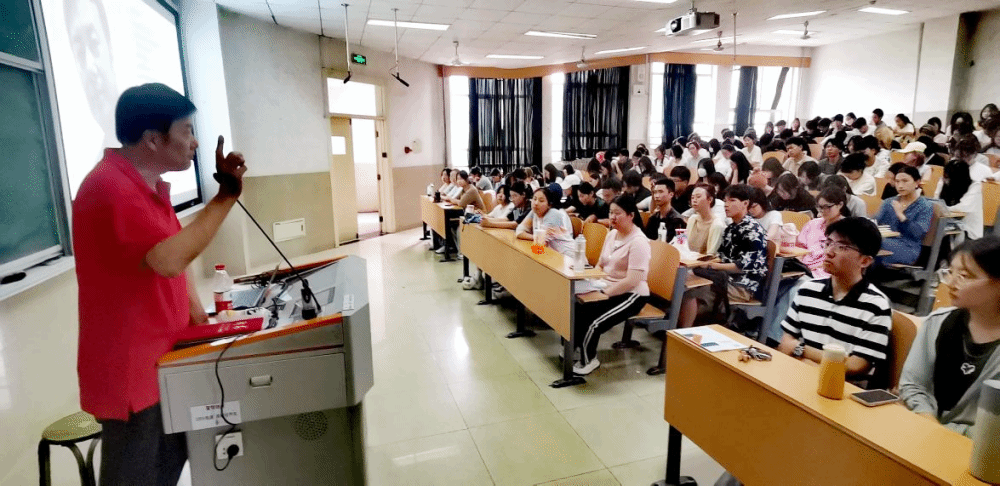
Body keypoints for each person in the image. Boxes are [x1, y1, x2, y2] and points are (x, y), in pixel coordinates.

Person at [74, 84, 247, 485]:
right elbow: (169, 261)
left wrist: (201, 326)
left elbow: (176, 266)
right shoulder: (111, 188)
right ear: (153, 139)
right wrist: (225, 197)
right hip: (133, 371)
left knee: (169, 466)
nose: (195, 142)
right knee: (136, 476)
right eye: (187, 131)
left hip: (166, 357)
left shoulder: (147, 187)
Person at [899, 236, 1000, 437]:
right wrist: (931, 425)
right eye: (950, 272)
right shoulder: (937, 322)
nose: (951, 283)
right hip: (923, 432)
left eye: (964, 276)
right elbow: (913, 385)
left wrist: (949, 436)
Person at [778, 217, 892, 388]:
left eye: (842, 247)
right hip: (798, 381)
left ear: (865, 261)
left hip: (840, 391)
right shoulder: (807, 290)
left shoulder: (877, 306)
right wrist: (829, 361)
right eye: (829, 243)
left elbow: (856, 365)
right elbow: (785, 343)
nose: (829, 252)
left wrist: (802, 350)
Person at [572, 195, 651, 375]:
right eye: (610, 212)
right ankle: (573, 348)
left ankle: (588, 360)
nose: (612, 217)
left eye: (617, 213)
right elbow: (600, 264)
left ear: (631, 215)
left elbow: (633, 280)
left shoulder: (639, 242)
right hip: (605, 285)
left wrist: (604, 293)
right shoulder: (612, 234)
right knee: (577, 308)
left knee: (594, 323)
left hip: (632, 294)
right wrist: (593, 284)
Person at [876, 166, 933, 266]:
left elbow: (918, 233)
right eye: (897, 181)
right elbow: (876, 222)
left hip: (908, 247)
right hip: (885, 241)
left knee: (872, 247)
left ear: (917, 182)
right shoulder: (889, 202)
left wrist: (901, 216)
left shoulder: (925, 205)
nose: (900, 185)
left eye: (905, 181)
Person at [798, 186, 849, 278]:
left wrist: (814, 268)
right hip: (804, 270)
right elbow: (799, 250)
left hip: (828, 272)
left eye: (827, 207)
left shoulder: (848, 228)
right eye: (820, 207)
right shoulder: (812, 224)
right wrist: (798, 266)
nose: (822, 211)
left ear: (840, 205)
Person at [516, 187, 574, 254]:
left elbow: (542, 240)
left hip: (568, 255)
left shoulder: (553, 214)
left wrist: (535, 237)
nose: (536, 203)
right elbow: (519, 232)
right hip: (551, 254)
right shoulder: (534, 212)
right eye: (534, 199)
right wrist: (534, 237)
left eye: (541, 201)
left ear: (549, 205)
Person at [686, 184, 727, 255]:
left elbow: (711, 254)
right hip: (688, 259)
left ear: (710, 199)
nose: (694, 200)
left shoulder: (717, 224)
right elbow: (685, 247)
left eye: (698, 197)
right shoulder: (692, 219)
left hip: (705, 261)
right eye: (692, 197)